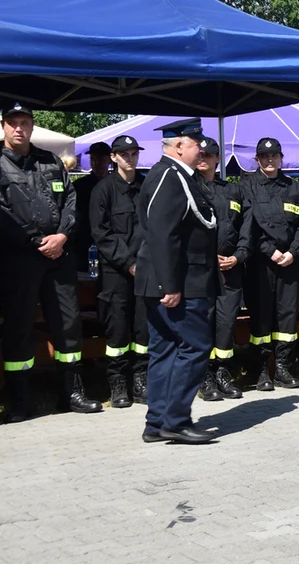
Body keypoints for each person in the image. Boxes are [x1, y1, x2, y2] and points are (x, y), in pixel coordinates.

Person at [0, 103, 101, 422]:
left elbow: (71, 202)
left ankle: (70, 392)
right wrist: (34, 240)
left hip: (60, 257)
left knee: (68, 324)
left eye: (25, 122)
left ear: (32, 125)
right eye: (13, 123)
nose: (19, 128)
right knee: (18, 328)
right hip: (19, 259)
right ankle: (20, 400)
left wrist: (62, 236)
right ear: (3, 126)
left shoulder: (50, 161)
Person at [136, 118, 219, 444]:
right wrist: (169, 285)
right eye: (196, 142)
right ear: (180, 146)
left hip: (180, 279)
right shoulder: (170, 177)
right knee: (195, 346)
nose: (201, 147)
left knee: (166, 349)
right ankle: (175, 419)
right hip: (181, 282)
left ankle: (157, 421)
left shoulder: (182, 177)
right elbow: (162, 233)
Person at [240, 137, 299, 390]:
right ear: (257, 159)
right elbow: (247, 225)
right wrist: (269, 251)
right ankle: (260, 370)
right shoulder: (247, 185)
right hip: (261, 264)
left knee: (286, 318)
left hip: (289, 263)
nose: (270, 160)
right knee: (261, 317)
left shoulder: (294, 188)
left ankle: (282, 367)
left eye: (274, 156)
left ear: (281, 158)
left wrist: (294, 252)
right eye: (264, 156)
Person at [89, 135, 148, 408]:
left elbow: (154, 227)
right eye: (124, 154)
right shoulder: (103, 190)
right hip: (116, 271)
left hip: (145, 269)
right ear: (113, 158)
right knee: (116, 331)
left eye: (134, 153)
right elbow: (102, 233)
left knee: (142, 330)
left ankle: (140, 379)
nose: (130, 158)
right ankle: (117, 383)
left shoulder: (146, 186)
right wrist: (128, 262)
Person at [196, 138, 248, 400]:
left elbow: (245, 229)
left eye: (210, 154)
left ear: (219, 158)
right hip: (200, 271)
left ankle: (223, 371)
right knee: (202, 323)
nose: (204, 157)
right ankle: (203, 375)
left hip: (230, 270)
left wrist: (238, 257)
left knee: (226, 324)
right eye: (201, 153)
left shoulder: (233, 191)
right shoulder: (189, 188)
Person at [72, 141, 112, 271]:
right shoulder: (80, 185)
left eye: (100, 159)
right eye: (92, 159)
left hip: (110, 241)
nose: (96, 163)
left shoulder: (115, 184)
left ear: (109, 160)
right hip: (85, 242)